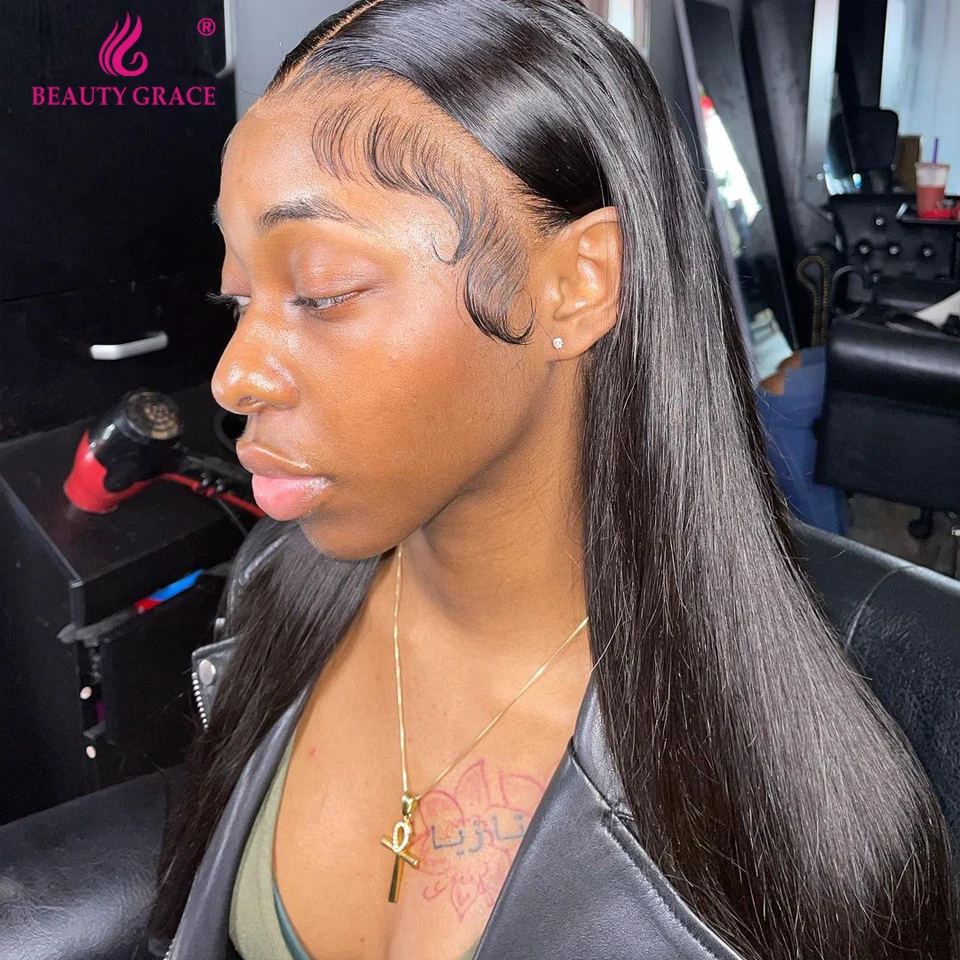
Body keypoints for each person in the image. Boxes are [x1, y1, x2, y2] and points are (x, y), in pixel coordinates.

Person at [149, 1, 958, 958]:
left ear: (575, 284)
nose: (234, 378)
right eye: (239, 297)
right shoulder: (272, 592)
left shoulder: (798, 789)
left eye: (324, 290)